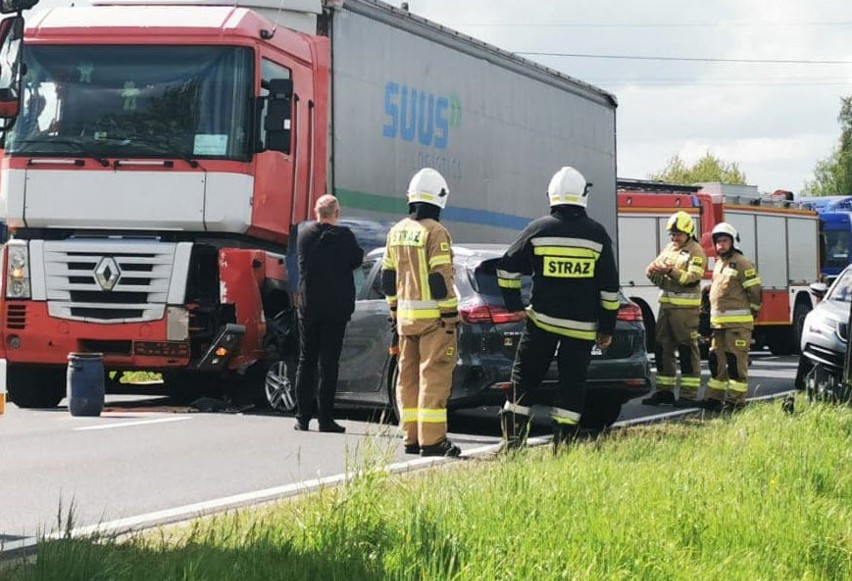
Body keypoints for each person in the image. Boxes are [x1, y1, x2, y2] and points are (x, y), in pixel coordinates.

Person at [496, 166, 620, 449]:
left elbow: (506, 268)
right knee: (572, 386)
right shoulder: (597, 235)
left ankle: (513, 445)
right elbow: (610, 289)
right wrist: (606, 328)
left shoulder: (538, 229)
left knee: (524, 380)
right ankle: (563, 447)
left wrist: (514, 306)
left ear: (552, 195)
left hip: (542, 323)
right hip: (582, 329)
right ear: (582, 196)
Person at [381, 168, 461, 457]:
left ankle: (410, 437)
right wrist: (450, 316)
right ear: (440, 198)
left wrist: (394, 308)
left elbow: (387, 279)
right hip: (434, 322)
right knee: (434, 378)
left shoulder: (396, 231)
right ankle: (434, 441)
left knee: (408, 380)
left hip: (405, 320)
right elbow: (439, 281)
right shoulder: (436, 232)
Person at [293, 195, 364, 432]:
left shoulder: (304, 235)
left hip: (308, 306)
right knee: (329, 363)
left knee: (306, 360)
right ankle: (325, 419)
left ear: (316, 212)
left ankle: (302, 418)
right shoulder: (344, 236)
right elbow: (357, 260)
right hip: (335, 308)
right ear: (337, 213)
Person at [641, 211, 708, 407]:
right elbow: (655, 268)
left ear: (688, 232)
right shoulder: (670, 248)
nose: (674, 237)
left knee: (687, 351)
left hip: (685, 311)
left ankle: (688, 395)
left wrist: (670, 270)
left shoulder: (696, 251)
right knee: (662, 349)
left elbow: (691, 278)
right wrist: (652, 272)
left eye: (678, 234)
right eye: (672, 234)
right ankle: (664, 392)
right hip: (667, 306)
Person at [700, 222, 762, 412]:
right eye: (718, 241)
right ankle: (714, 399)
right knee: (716, 363)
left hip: (737, 326)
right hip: (718, 326)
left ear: (732, 242)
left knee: (736, 365)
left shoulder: (742, 263)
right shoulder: (719, 263)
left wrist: (752, 311)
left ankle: (736, 402)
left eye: (725, 241)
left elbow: (755, 291)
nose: (721, 245)